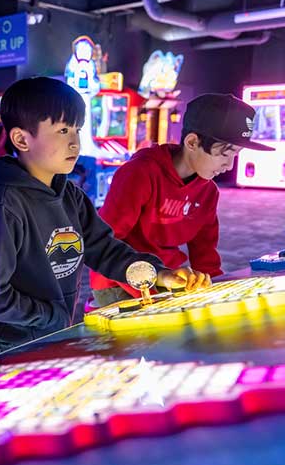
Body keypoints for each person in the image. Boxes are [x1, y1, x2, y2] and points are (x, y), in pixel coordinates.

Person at [0, 77, 210, 355]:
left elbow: (106, 251)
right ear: (22, 139)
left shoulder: (71, 195)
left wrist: (159, 275)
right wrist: (53, 316)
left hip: (52, 331)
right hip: (9, 342)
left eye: (77, 130)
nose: (74, 143)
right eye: (62, 130)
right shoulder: (3, 204)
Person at [89, 93, 274, 306]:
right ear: (193, 142)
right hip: (119, 281)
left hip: (172, 278)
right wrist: (152, 284)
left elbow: (205, 255)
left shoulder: (208, 192)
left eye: (236, 155)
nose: (229, 166)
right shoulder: (140, 173)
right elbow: (106, 240)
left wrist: (217, 288)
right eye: (225, 154)